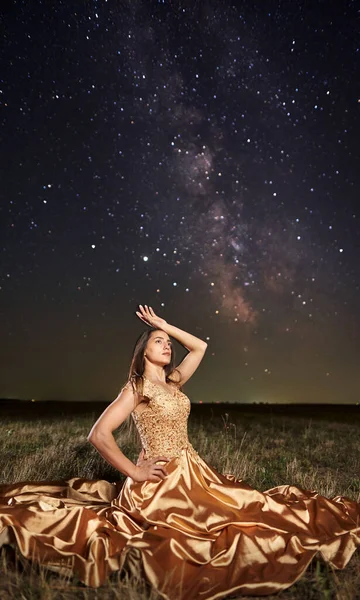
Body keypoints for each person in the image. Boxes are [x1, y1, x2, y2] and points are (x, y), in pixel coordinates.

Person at [0, 304, 359, 600]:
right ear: (143, 351)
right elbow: (99, 434)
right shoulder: (136, 387)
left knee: (252, 507)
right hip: (161, 481)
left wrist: (165, 325)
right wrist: (135, 472)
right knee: (211, 529)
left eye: (168, 343)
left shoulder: (174, 382)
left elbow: (200, 347)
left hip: (194, 469)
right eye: (159, 342)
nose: (167, 346)